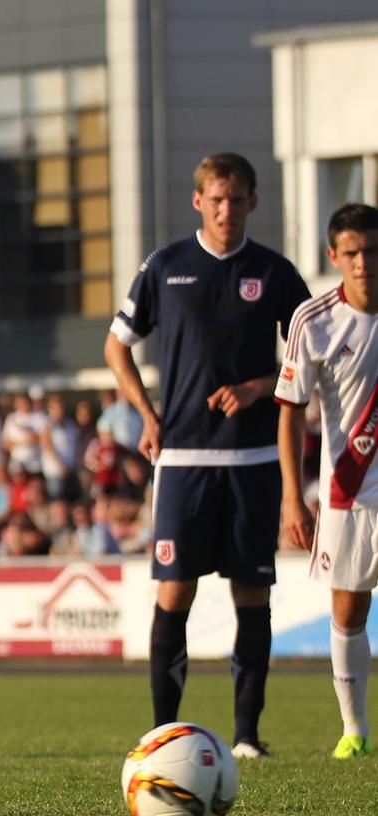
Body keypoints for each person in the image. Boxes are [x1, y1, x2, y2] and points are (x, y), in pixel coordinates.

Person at [104, 152, 310, 758]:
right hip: (183, 461)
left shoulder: (274, 273)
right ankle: (162, 733)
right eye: (216, 199)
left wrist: (258, 386)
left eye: (237, 198)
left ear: (253, 201)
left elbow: (310, 357)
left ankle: (246, 736)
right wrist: (145, 412)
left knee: (253, 595)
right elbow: (117, 347)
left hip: (253, 462)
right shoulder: (166, 266)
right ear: (198, 201)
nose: (226, 209)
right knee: (175, 594)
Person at [276, 203, 378, 760]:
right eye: (352, 252)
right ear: (333, 257)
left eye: (372, 250)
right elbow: (290, 409)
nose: (363, 262)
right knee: (349, 612)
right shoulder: (312, 320)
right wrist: (293, 495)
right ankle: (354, 731)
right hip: (349, 493)